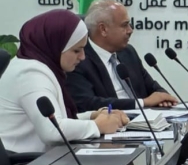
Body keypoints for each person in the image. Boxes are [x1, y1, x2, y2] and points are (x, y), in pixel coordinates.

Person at [0, 10, 127, 154]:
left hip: (43, 159)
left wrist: (92, 116)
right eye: (76, 50)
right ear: (55, 46)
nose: (82, 57)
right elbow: (52, 131)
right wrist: (97, 125)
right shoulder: (30, 74)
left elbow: (56, 119)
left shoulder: (39, 67)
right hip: (23, 164)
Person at [66, 0, 178, 112]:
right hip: (112, 121)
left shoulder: (128, 52)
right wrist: (143, 103)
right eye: (124, 25)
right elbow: (87, 103)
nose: (130, 30)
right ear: (103, 29)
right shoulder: (78, 59)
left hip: (145, 119)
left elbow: (152, 87)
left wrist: (163, 97)